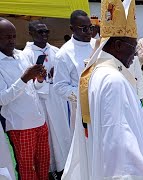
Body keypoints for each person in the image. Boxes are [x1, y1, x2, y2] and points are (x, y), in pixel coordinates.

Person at [61, 0, 143, 179]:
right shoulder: (112, 80)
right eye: (133, 47)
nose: (136, 54)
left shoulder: (97, 71)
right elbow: (122, 153)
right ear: (118, 46)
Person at [0, 17, 50, 180]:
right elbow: (2, 99)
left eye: (14, 36)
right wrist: (24, 78)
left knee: (44, 164)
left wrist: (39, 80)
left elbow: (34, 89)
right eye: (7, 37)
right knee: (27, 169)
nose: (12, 40)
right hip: (20, 125)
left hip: (39, 120)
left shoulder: (21, 55)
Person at [23, 20, 71, 179]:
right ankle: (49, 168)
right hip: (40, 101)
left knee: (63, 130)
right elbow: (25, 82)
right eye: (39, 32)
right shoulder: (26, 55)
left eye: (46, 32)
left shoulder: (56, 51)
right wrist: (40, 80)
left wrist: (56, 74)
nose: (44, 35)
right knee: (47, 135)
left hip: (57, 99)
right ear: (31, 34)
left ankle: (64, 166)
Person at [54, 10, 96, 133]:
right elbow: (59, 86)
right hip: (82, 109)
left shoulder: (97, 45)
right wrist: (86, 95)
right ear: (72, 29)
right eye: (84, 28)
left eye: (91, 27)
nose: (89, 32)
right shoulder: (64, 54)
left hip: (103, 104)